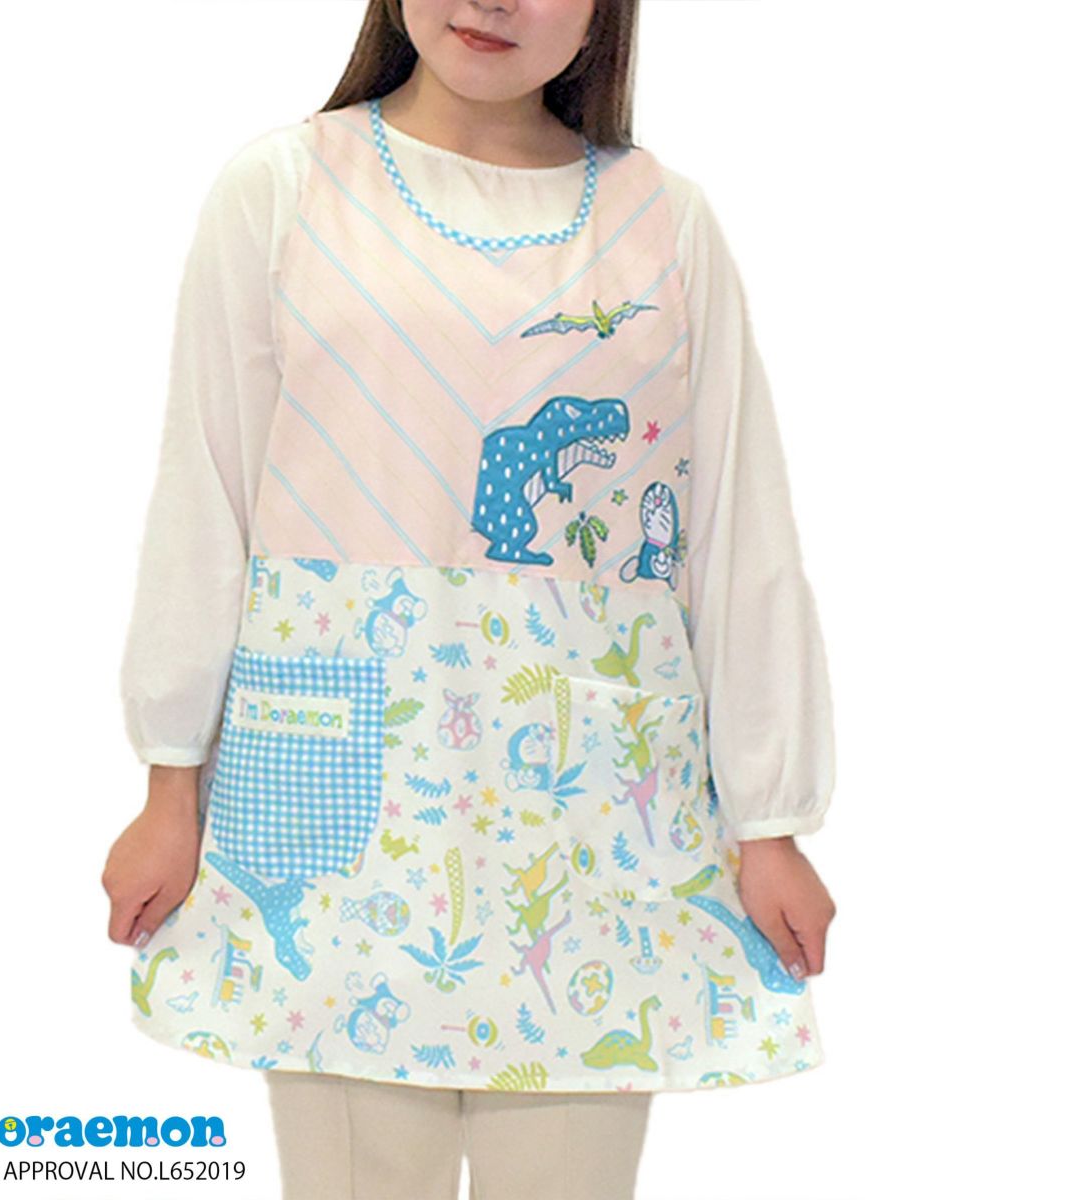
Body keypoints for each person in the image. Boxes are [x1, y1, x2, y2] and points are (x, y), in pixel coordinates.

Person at [102, 1, 838, 1196]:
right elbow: (208, 495)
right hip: (336, 811)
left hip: (592, 826)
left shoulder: (666, 223)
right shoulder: (282, 189)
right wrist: (166, 783)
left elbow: (735, 534)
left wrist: (773, 820)